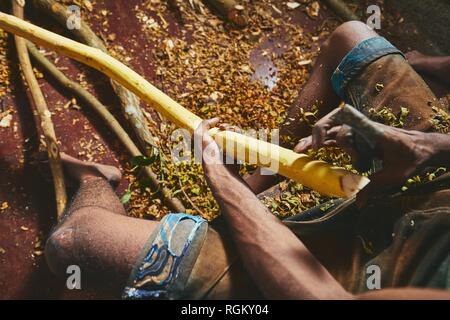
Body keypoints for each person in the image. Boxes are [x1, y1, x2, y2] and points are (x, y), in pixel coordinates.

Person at [45, 21, 450, 299]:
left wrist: (226, 184)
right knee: (353, 37)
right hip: (439, 191)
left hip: (358, 279)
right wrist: (429, 147)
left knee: (73, 241)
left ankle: (96, 179)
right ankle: (258, 182)